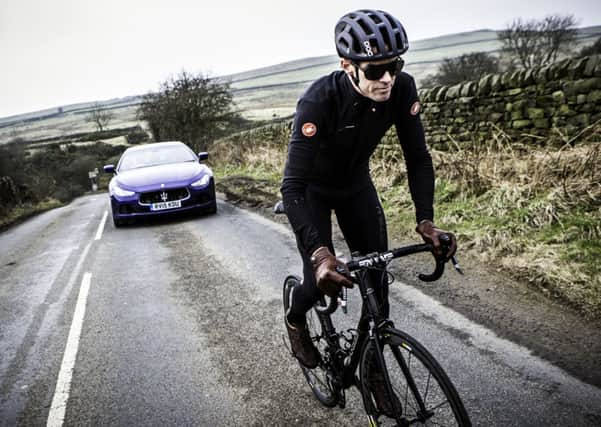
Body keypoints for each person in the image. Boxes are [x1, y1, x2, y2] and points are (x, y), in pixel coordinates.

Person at [281, 9, 457, 415]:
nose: (387, 79)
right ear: (347, 65)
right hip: (312, 191)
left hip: (356, 187)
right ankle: (294, 319)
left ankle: (374, 369)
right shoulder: (318, 101)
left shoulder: (402, 89)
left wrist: (426, 221)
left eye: (394, 66)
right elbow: (291, 187)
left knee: (377, 283)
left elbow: (418, 158)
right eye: (376, 70)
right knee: (315, 280)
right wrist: (322, 254)